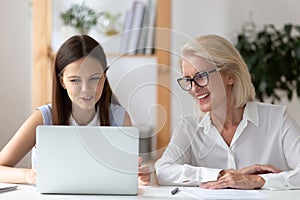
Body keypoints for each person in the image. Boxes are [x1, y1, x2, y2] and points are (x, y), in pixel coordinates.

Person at [0, 35, 150, 186]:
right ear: (62, 81)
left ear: (104, 78)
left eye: (94, 78)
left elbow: (123, 177)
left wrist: (136, 177)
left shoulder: (119, 118)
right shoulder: (43, 118)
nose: (86, 90)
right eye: (74, 80)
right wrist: (29, 176)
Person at [155, 34, 300, 190]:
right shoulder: (189, 127)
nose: (194, 88)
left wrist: (258, 181)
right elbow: (163, 171)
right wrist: (221, 174)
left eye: (201, 76)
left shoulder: (277, 119)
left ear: (230, 75)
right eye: (188, 80)